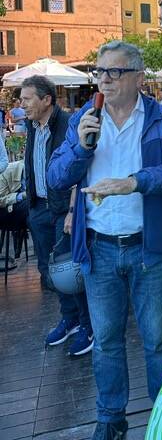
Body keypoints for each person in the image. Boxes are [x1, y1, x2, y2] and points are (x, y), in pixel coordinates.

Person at [46, 41, 162, 440]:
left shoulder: (160, 119)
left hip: (149, 246)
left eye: (114, 72)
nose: (105, 80)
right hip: (100, 247)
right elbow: (56, 177)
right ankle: (110, 420)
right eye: (100, 72)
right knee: (107, 340)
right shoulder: (84, 117)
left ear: (138, 77)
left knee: (158, 339)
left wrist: (134, 183)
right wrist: (79, 145)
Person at [21, 75, 93, 355]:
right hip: (39, 207)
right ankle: (70, 319)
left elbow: (79, 171)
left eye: (27, 99)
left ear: (46, 99)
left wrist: (73, 211)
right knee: (50, 270)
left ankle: (87, 325)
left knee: (72, 272)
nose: (21, 104)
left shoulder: (68, 125)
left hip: (64, 209)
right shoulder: (31, 126)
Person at [0, 159, 28, 258]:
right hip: (4, 211)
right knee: (29, 208)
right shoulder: (7, 171)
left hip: (22, 210)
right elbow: (0, 199)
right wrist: (20, 196)